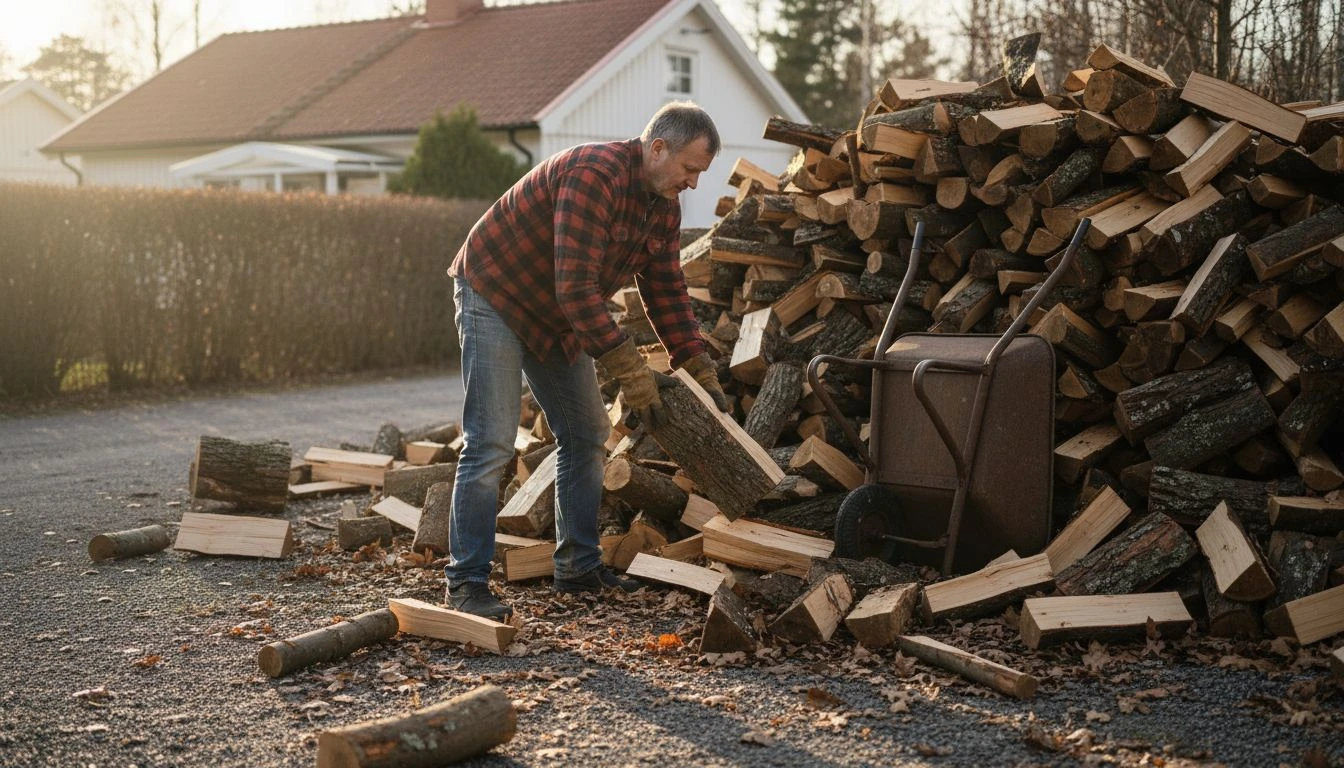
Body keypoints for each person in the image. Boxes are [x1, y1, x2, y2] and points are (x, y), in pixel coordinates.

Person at [444, 101, 729, 620]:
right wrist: (628, 369)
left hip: (554, 313)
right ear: (657, 147)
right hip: (496, 295)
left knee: (587, 433)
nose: (692, 183)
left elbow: (666, 290)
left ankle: (577, 565)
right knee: (490, 440)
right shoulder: (593, 174)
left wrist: (697, 363)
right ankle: (466, 583)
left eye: (699, 174)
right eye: (690, 169)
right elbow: (575, 287)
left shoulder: (662, 205)